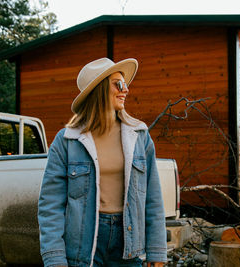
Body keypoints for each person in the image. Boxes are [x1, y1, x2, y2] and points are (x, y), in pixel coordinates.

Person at [38, 58, 167, 267]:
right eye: (118, 84)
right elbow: (50, 206)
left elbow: (152, 198)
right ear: (99, 90)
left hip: (128, 243)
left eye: (125, 84)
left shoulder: (139, 136)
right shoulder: (67, 141)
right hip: (83, 244)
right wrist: (54, 258)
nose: (125, 90)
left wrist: (157, 251)